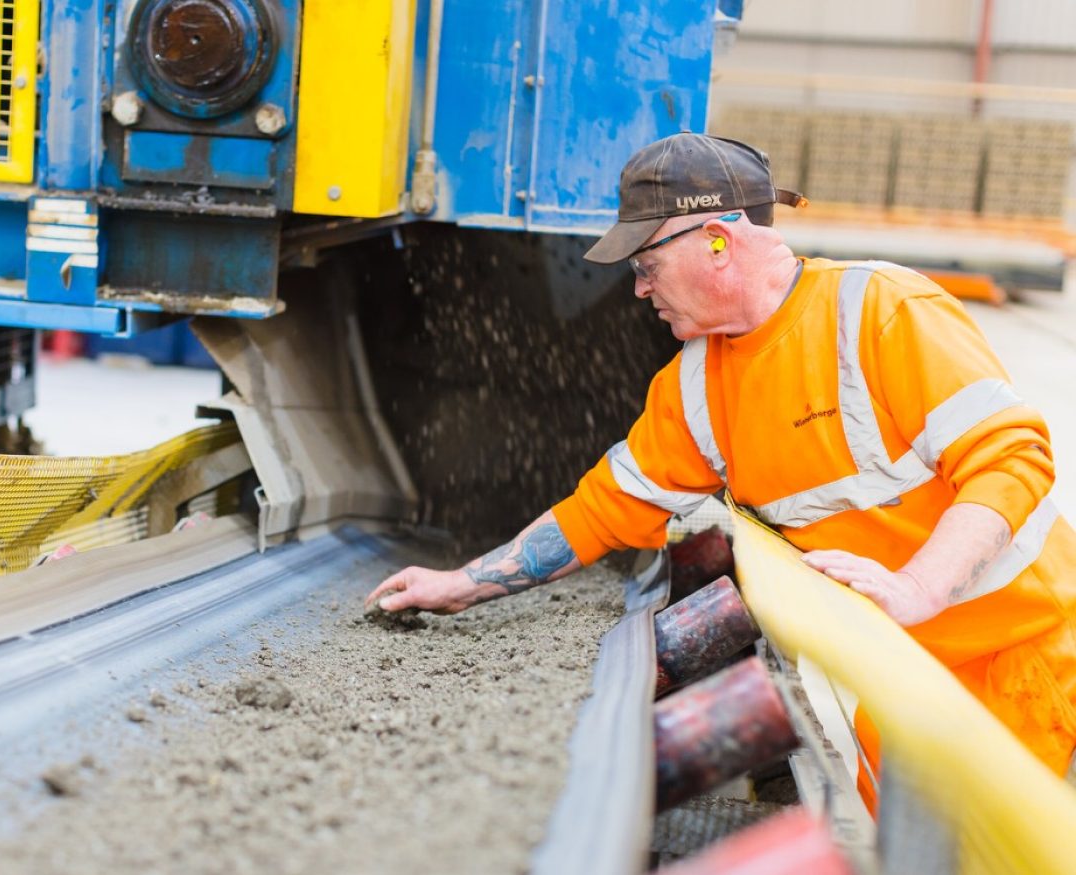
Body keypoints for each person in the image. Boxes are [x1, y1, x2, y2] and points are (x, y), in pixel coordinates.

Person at [364, 133, 1076, 810]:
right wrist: (462, 582)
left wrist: (918, 586)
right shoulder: (696, 386)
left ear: (716, 240)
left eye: (645, 266)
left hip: (1027, 659)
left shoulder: (880, 311)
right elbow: (601, 510)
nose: (639, 290)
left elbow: (1011, 460)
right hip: (908, 685)